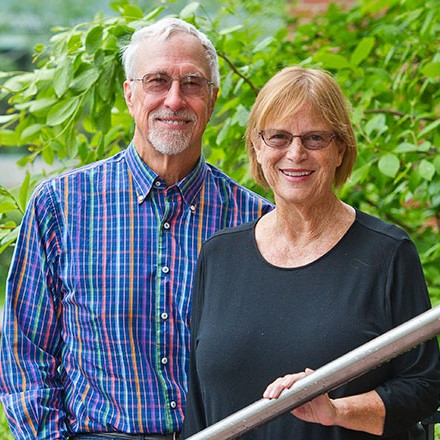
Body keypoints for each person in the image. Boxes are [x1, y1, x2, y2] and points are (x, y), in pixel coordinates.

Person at [0, 18, 273, 440]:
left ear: (213, 99)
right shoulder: (61, 205)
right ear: (130, 95)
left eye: (192, 83)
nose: (174, 99)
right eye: (157, 81)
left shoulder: (256, 220)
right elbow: (24, 352)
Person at [183, 66, 440, 439]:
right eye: (278, 137)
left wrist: (335, 410)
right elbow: (199, 405)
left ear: (340, 149)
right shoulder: (219, 256)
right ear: (257, 146)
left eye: (315, 138)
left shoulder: (387, 254)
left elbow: (424, 386)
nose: (296, 153)